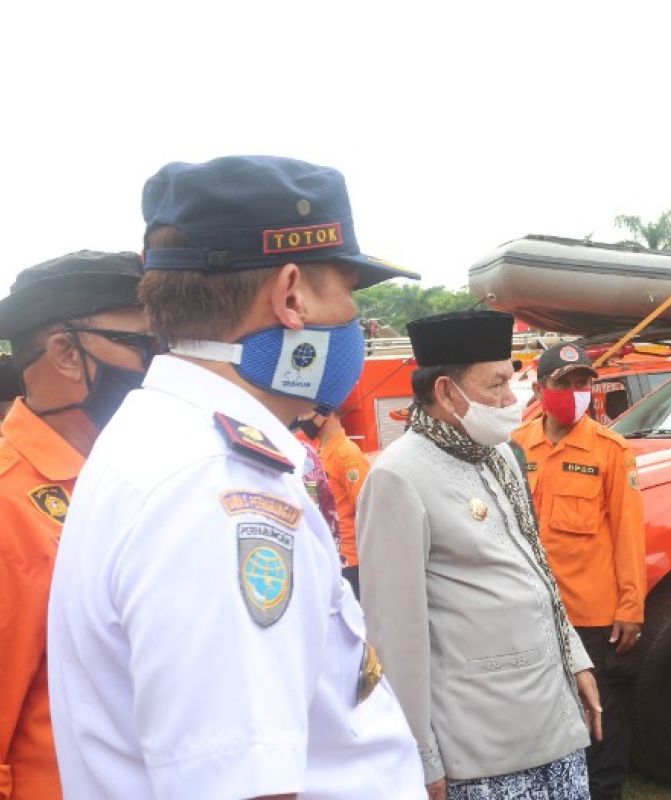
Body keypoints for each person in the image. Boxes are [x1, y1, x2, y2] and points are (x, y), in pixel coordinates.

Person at [46, 156, 425, 799]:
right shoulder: (217, 491)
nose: (355, 320)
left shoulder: (170, 440)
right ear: (292, 295)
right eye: (349, 293)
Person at [357, 310, 602, 800]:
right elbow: (395, 636)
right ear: (447, 392)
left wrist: (574, 658)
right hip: (483, 749)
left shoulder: (500, 455)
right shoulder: (399, 477)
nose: (513, 401)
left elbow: (537, 570)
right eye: (496, 386)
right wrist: (420, 757)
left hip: (550, 718)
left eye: (512, 382)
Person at [0, 251, 150, 799]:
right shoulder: (9, 504)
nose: (159, 365)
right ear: (66, 354)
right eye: (141, 345)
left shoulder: (128, 478)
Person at [512, 342, 647, 799]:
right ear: (539, 387)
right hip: (534, 617)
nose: (574, 392)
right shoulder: (515, 447)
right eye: (562, 383)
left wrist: (631, 608)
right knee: (545, 728)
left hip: (594, 621)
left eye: (581, 383)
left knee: (602, 732)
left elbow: (629, 533)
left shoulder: (611, 449)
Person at [293, 404, 370, 596]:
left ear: (325, 414)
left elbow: (366, 508)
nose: (302, 420)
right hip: (329, 555)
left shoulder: (347, 454)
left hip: (350, 560)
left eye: (305, 413)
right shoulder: (320, 451)